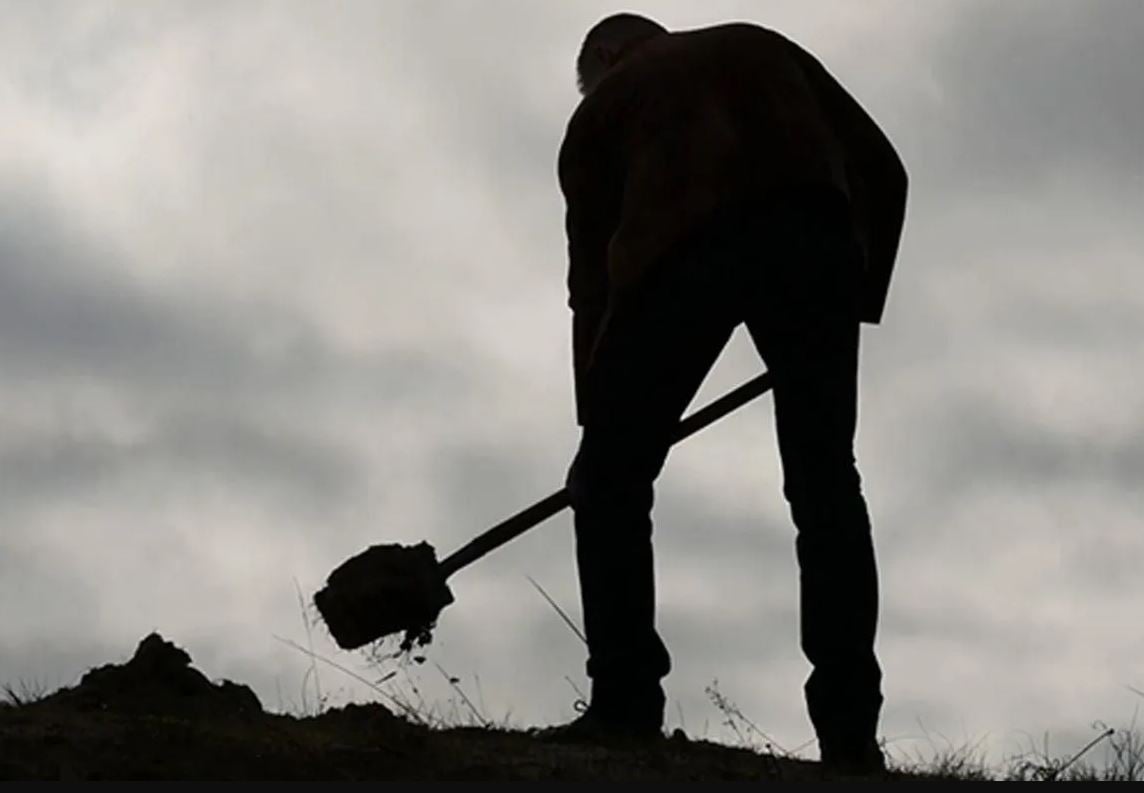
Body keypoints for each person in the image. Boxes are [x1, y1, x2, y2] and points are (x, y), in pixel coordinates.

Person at [541, 13, 908, 775]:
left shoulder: (600, 112)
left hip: (680, 251)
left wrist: (603, 437)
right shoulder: (760, 43)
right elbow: (885, 169)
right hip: (817, 242)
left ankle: (625, 705)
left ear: (606, 58)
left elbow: (593, 286)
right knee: (825, 483)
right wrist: (851, 304)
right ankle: (850, 737)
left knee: (609, 485)